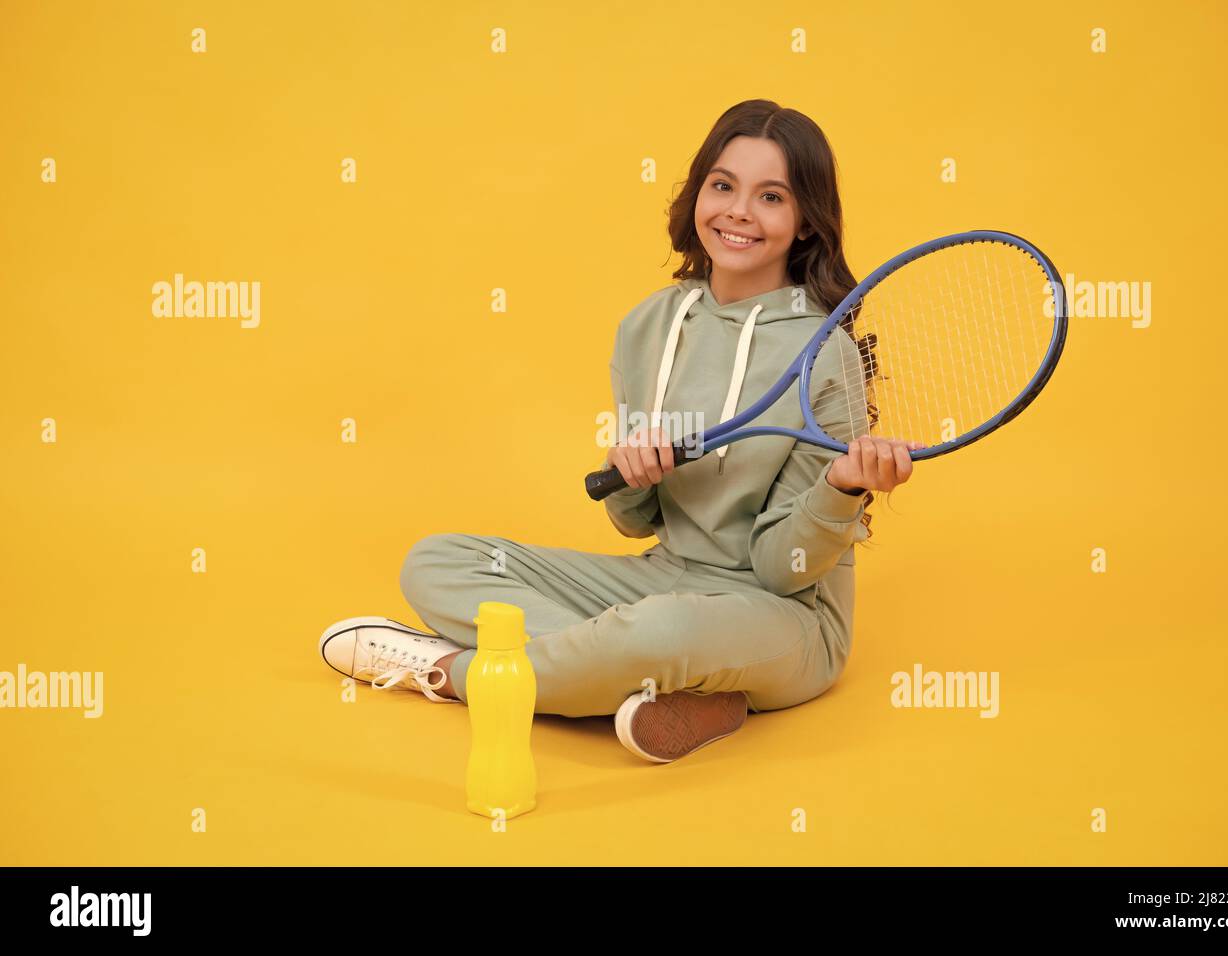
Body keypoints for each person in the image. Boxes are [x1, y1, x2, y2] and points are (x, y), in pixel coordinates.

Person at [319, 99, 921, 764]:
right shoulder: (647, 327)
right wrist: (633, 476)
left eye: (771, 197)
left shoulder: (823, 352)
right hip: (664, 581)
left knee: (663, 629)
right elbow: (637, 524)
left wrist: (840, 488)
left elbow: (783, 572)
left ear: (805, 221)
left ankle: (455, 674)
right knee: (436, 561)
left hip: (786, 619)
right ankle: (669, 685)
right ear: (698, 193)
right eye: (723, 186)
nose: (739, 213)